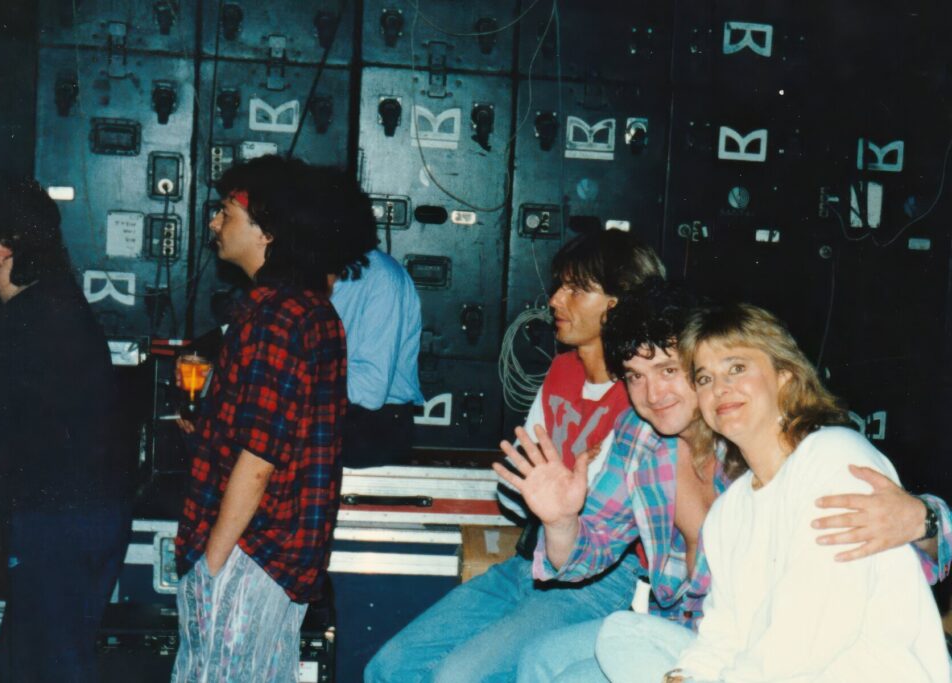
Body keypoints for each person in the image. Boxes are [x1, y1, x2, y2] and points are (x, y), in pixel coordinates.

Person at [497, 280, 952, 682]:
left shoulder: (821, 450)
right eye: (636, 377)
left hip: (810, 662)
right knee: (556, 656)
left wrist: (926, 518)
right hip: (708, 640)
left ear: (784, 377)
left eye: (671, 371)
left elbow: (825, 619)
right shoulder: (683, 469)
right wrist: (559, 521)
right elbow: (721, 627)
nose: (653, 395)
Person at [364, 228, 666, 683]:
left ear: (619, 304)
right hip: (532, 559)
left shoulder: (644, 397)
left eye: (577, 289)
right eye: (559, 285)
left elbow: (589, 518)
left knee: (458, 677)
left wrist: (548, 496)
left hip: (602, 580)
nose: (556, 301)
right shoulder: (562, 369)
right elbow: (514, 490)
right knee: (389, 666)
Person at [646, 303, 949, 682]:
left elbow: (809, 636)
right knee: (616, 638)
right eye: (704, 379)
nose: (720, 388)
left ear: (785, 376)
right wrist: (685, 675)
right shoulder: (729, 512)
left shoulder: (836, 458)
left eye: (736, 368)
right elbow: (723, 633)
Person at [0, 172, 132, 682]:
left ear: (4, 248)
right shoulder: (40, 304)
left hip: (59, 524)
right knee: (27, 663)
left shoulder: (35, 322)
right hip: (70, 518)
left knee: (43, 668)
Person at [172, 155, 362, 682]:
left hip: (247, 551)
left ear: (267, 231)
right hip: (275, 554)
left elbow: (259, 459)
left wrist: (212, 562)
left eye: (226, 211)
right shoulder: (307, 309)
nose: (213, 222)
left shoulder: (276, 316)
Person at [320, 167, 424, 468]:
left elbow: (369, 389)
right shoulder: (322, 274)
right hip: (334, 415)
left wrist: (300, 375)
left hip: (372, 428)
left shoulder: (381, 279)